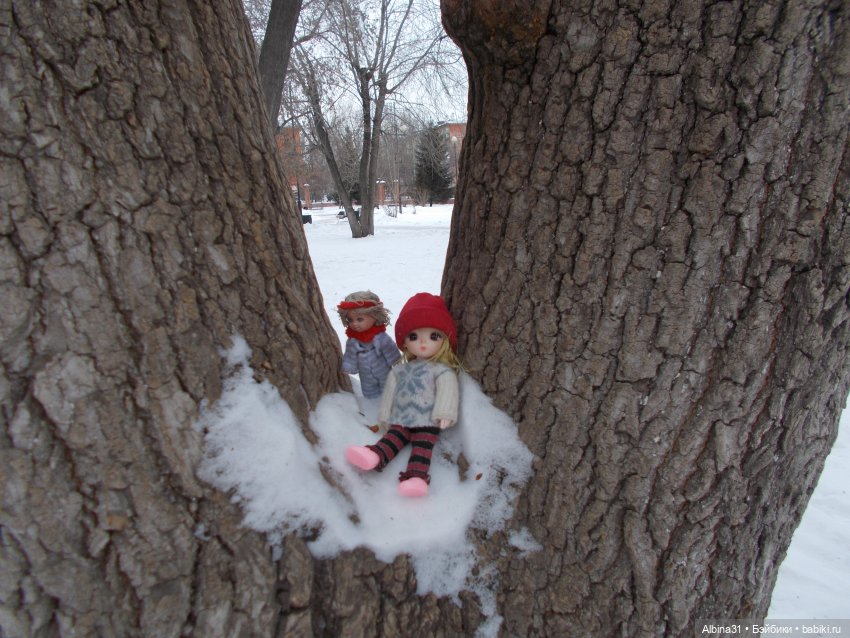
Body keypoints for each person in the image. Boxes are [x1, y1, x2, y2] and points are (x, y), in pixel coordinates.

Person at [345, 292, 461, 497]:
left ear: (445, 340)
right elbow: (390, 391)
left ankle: (416, 477)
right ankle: (374, 455)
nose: (423, 343)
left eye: (434, 336)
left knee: (422, 447)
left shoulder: (442, 371)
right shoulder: (400, 370)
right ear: (405, 342)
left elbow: (448, 393)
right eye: (414, 337)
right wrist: (385, 416)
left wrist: (445, 413)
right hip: (402, 416)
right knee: (393, 437)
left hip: (428, 420)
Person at [337, 291, 401, 399]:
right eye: (350, 320)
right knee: (369, 393)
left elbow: (391, 350)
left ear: (375, 316)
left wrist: (397, 362)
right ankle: (371, 404)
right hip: (365, 376)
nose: (354, 324)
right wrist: (349, 366)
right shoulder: (353, 341)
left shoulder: (381, 338)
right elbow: (350, 355)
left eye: (360, 319)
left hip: (384, 371)